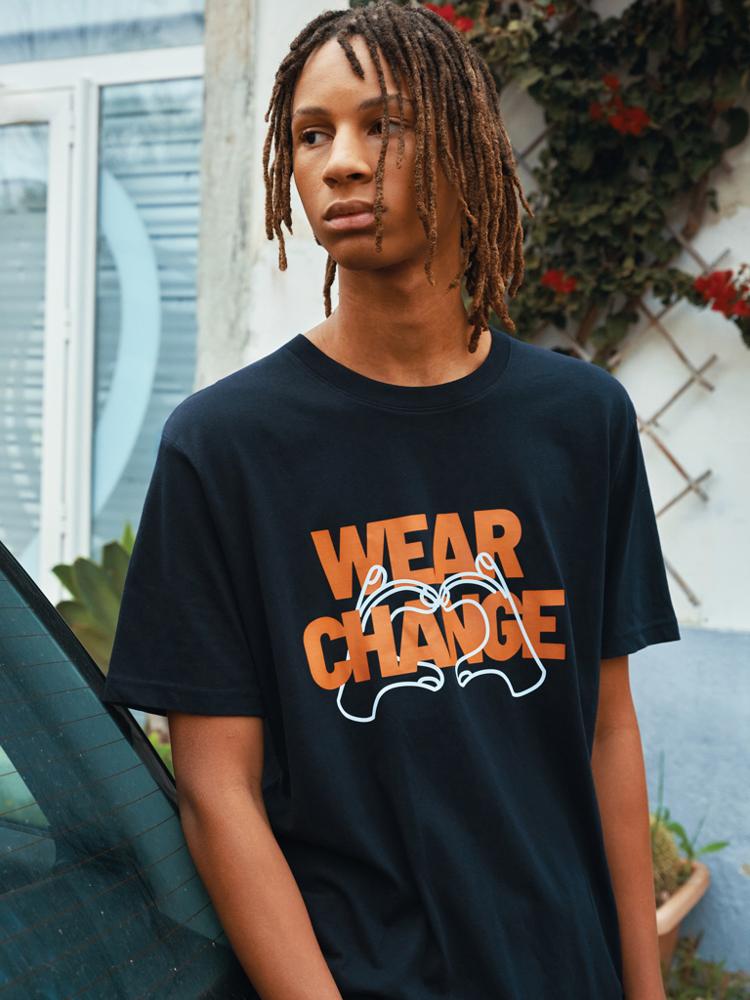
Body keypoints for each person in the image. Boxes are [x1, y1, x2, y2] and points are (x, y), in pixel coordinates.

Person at [101, 2, 681, 998]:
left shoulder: (580, 421)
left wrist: (643, 987)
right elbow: (215, 790)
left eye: (383, 126)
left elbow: (607, 729)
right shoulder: (226, 448)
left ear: (466, 146)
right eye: (311, 134)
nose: (341, 163)